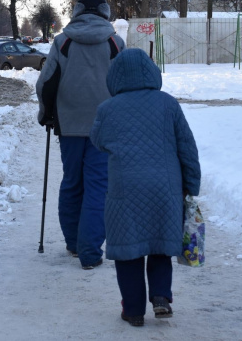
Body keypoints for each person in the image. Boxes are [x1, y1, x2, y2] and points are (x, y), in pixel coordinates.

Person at [89, 48, 201, 327]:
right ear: (152, 73)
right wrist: (191, 184)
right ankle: (161, 297)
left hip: (124, 189)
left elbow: (97, 141)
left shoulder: (107, 108)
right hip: (166, 188)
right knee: (161, 245)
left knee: (128, 251)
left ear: (114, 78)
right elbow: (187, 147)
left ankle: (134, 310)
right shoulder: (168, 104)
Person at [36, 0, 125, 270]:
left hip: (69, 125)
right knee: (99, 186)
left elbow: (46, 83)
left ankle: (74, 244)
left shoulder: (62, 42)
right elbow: (125, 82)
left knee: (72, 182)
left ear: (75, 11)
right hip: (106, 127)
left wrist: (46, 114)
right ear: (105, 11)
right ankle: (90, 252)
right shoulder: (115, 42)